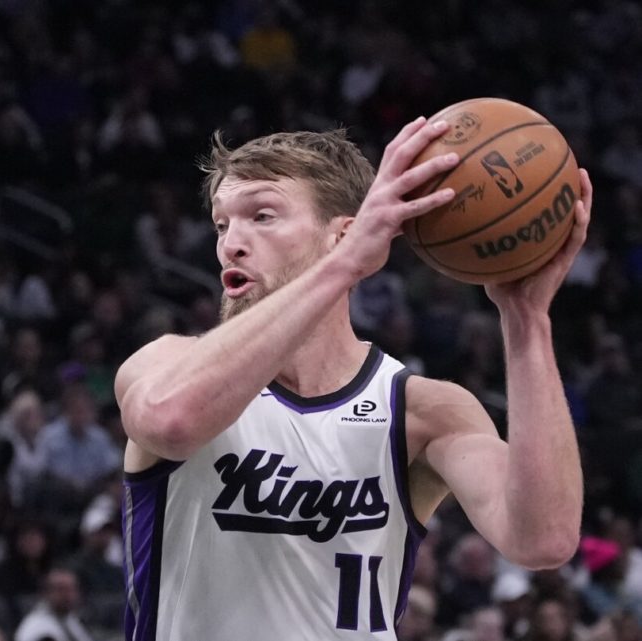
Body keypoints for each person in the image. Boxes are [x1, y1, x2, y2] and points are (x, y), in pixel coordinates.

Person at [117, 120, 589, 640]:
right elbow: (171, 422)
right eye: (222, 224)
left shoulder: (422, 410)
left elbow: (543, 539)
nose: (231, 244)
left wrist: (526, 321)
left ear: (342, 233)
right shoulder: (166, 364)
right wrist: (344, 266)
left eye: (262, 215)